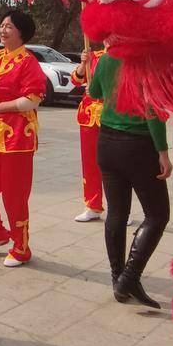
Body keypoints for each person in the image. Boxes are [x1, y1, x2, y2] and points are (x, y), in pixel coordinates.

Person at [89, 51, 173, 306]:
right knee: (157, 214)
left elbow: (93, 93)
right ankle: (129, 277)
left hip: (106, 141)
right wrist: (163, 152)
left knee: (117, 213)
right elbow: (153, 110)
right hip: (137, 144)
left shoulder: (105, 59)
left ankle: (119, 279)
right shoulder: (146, 60)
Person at [0, 9, 48, 266]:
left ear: (21, 32)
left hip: (18, 137)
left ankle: (21, 246)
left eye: (9, 27)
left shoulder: (28, 61)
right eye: (2, 25)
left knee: (15, 195)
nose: (3, 30)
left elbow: (33, 98)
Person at [71, 47, 105, 223]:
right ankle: (93, 205)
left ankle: (121, 208)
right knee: (90, 162)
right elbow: (76, 80)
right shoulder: (94, 56)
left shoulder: (125, 56)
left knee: (117, 165)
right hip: (89, 116)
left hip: (114, 114)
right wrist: (83, 64)